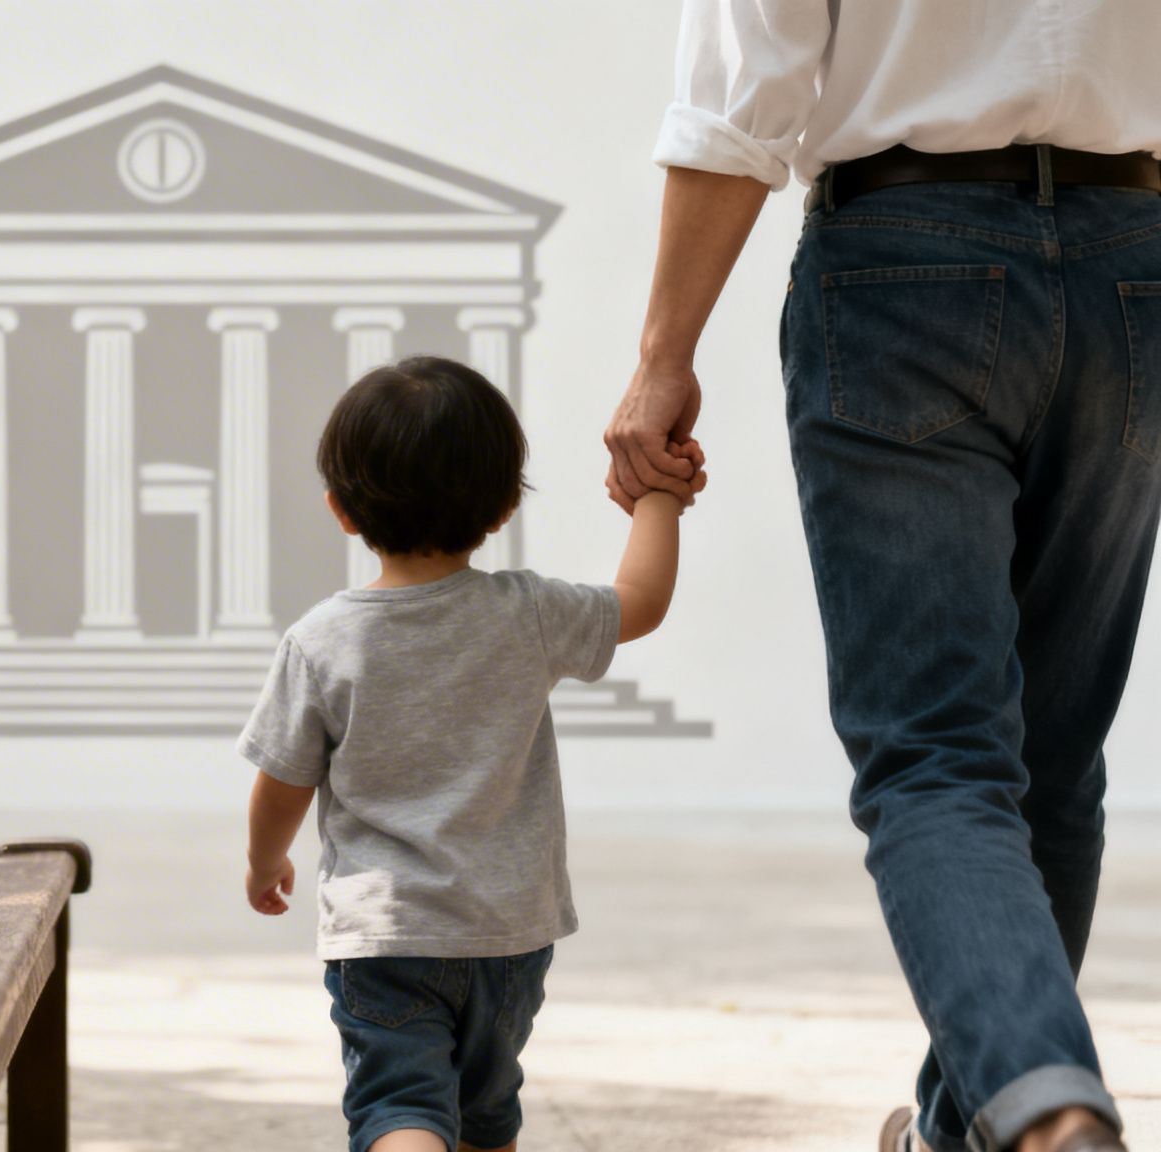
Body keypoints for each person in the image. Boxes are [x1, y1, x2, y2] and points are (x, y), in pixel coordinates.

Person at [606, 4, 1161, 1151]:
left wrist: (661, 360)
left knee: (937, 759)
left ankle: (1049, 1111)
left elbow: (735, 98)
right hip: (1131, 260)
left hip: (901, 265)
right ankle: (966, 1130)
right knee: (1049, 761)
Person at [239, 355, 696, 1152]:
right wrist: (659, 496)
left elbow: (283, 778)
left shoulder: (321, 641)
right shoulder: (530, 614)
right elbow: (642, 604)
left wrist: (263, 860)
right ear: (502, 506)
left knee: (401, 1109)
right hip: (509, 935)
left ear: (341, 510)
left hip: (389, 937)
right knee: (488, 1111)